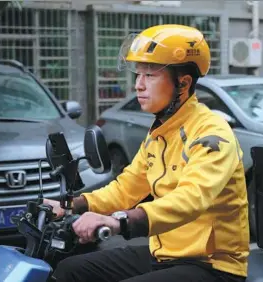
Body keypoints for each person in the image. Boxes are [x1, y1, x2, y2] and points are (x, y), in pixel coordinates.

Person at [45, 24, 250, 282]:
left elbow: (191, 199)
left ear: (183, 83)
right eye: (138, 75)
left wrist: (119, 221)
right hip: (164, 255)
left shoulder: (211, 134)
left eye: (150, 75)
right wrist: (71, 204)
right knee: (68, 271)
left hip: (211, 265)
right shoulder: (160, 133)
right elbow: (126, 188)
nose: (138, 85)